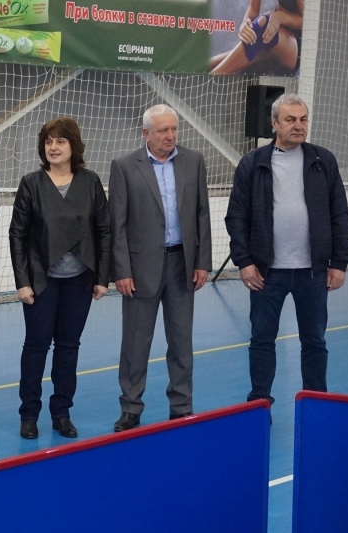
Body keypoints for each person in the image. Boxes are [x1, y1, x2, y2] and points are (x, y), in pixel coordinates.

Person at [225, 93, 348, 408]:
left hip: (313, 272)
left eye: (303, 119)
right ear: (274, 123)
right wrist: (244, 261)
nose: (298, 125)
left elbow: (339, 214)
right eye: (290, 119)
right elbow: (236, 216)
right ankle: (259, 403)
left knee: (315, 341)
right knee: (262, 340)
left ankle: (316, 403)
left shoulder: (323, 161)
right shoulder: (253, 163)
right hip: (266, 273)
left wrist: (339, 262)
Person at [109, 104, 212, 432]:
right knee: (135, 343)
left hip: (183, 264)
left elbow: (202, 214)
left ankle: (182, 406)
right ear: (146, 134)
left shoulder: (194, 162)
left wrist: (203, 262)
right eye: (163, 130)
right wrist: (121, 270)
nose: (170, 136)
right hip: (140, 269)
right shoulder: (124, 166)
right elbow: (117, 224)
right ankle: (131, 406)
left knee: (181, 341)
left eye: (173, 129)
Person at [9, 117, 111, 440]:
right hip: (42, 280)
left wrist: (102, 277)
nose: (53, 147)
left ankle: (62, 412)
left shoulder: (90, 182)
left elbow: (104, 231)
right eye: (48, 141)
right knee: (36, 346)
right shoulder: (31, 184)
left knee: (68, 347)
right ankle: (29, 414)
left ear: (73, 146)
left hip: (79, 281)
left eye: (60, 141)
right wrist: (22, 281)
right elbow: (17, 234)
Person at [210, 0, 303, 75]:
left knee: (263, 22)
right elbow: (253, 9)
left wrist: (282, 17)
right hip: (271, 37)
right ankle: (209, 76)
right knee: (211, 64)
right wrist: (246, 24)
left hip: (295, 49)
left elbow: (307, 21)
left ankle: (211, 78)